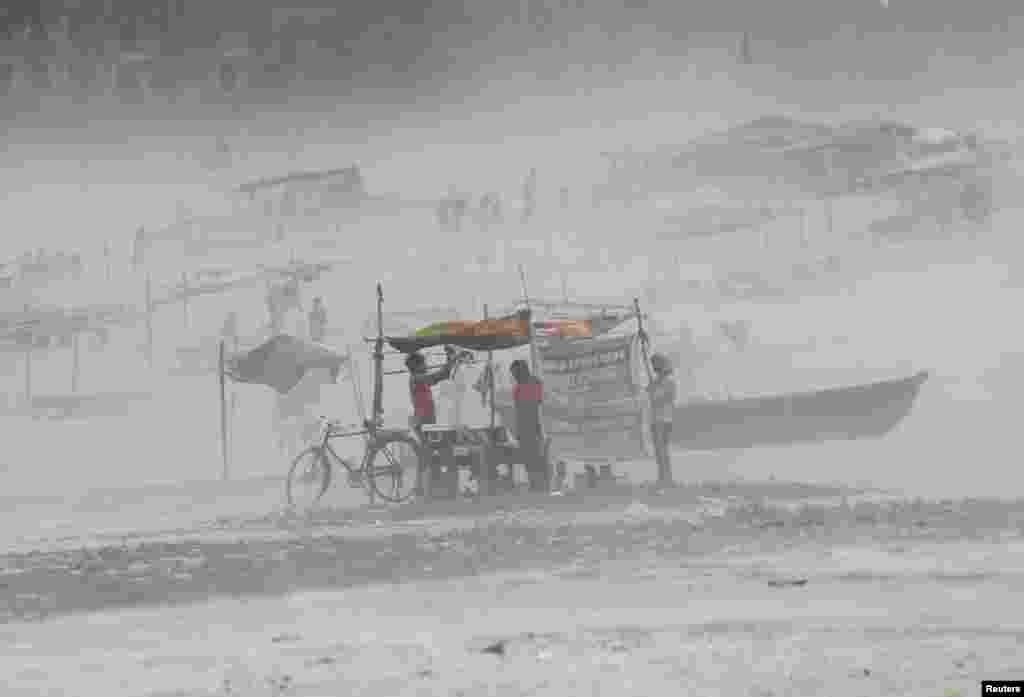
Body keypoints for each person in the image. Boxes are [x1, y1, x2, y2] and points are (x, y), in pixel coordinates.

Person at [510, 359, 548, 492]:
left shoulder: (536, 384)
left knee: (539, 457)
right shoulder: (518, 388)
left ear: (523, 371)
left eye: (516, 373)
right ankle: (534, 484)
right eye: (513, 374)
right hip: (524, 428)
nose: (515, 377)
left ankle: (542, 484)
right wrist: (518, 430)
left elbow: (540, 406)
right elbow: (518, 410)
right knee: (528, 458)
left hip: (537, 427)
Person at [647, 353, 677, 487]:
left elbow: (663, 398)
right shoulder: (656, 382)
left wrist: (653, 391)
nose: (655, 369)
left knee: (662, 450)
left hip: (663, 420)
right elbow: (648, 396)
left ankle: (666, 478)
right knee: (659, 451)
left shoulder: (669, 382)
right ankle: (663, 477)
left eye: (656, 366)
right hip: (657, 420)